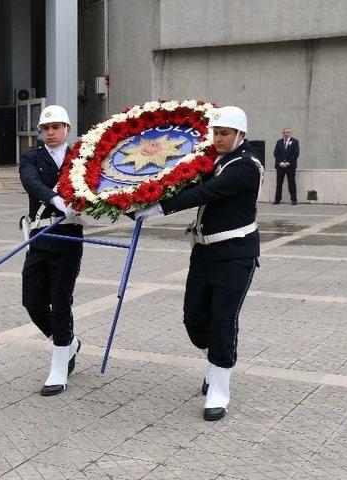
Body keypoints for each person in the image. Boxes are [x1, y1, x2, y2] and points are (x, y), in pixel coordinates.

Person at [134, 106, 263, 421]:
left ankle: (219, 387)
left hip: (236, 255)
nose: (218, 139)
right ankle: (216, 358)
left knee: (223, 320)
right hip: (204, 252)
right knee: (193, 319)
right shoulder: (213, 160)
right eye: (215, 133)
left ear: (240, 134)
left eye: (225, 133)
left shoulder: (246, 166)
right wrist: (145, 193)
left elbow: (207, 192)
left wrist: (158, 209)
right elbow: (188, 184)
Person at [19, 105, 85, 396]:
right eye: (45, 128)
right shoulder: (32, 157)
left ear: (67, 129)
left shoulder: (81, 158)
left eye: (56, 127)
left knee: (60, 303)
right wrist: (55, 199)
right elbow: (30, 181)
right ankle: (69, 342)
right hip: (40, 235)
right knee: (32, 302)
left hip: (68, 238)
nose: (50, 133)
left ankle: (59, 367)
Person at [273, 127, 299, 205]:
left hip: (290, 166)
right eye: (284, 132)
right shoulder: (279, 142)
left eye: (287, 132)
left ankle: (294, 200)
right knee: (279, 183)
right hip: (280, 166)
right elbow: (275, 153)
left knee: (291, 183)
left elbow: (296, 154)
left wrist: (288, 163)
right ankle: (277, 200)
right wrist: (280, 162)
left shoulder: (295, 142)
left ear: (291, 133)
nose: (285, 134)